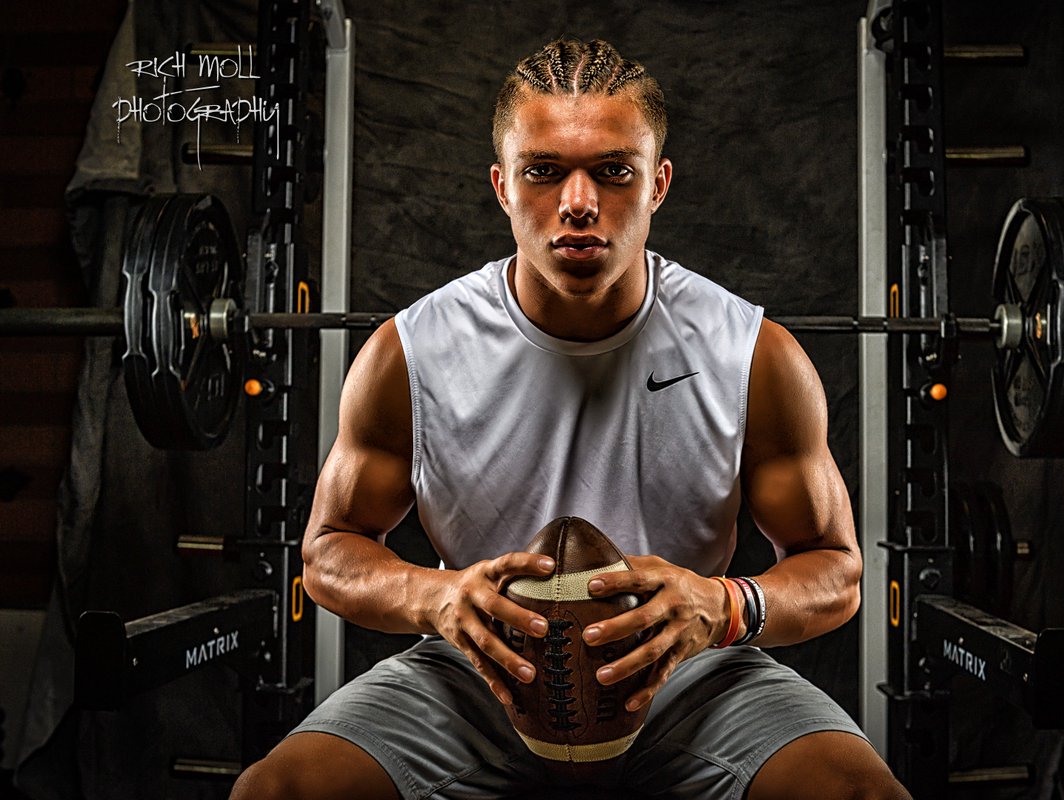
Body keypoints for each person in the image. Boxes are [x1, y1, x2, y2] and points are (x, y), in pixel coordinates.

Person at [231, 37, 911, 800]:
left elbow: (838, 571)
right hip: (479, 674)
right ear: (502, 185)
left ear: (658, 184)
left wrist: (723, 606)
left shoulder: (752, 353)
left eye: (614, 172)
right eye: (544, 172)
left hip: (688, 671)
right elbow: (327, 554)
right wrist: (439, 598)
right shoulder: (412, 350)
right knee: (276, 792)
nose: (579, 202)